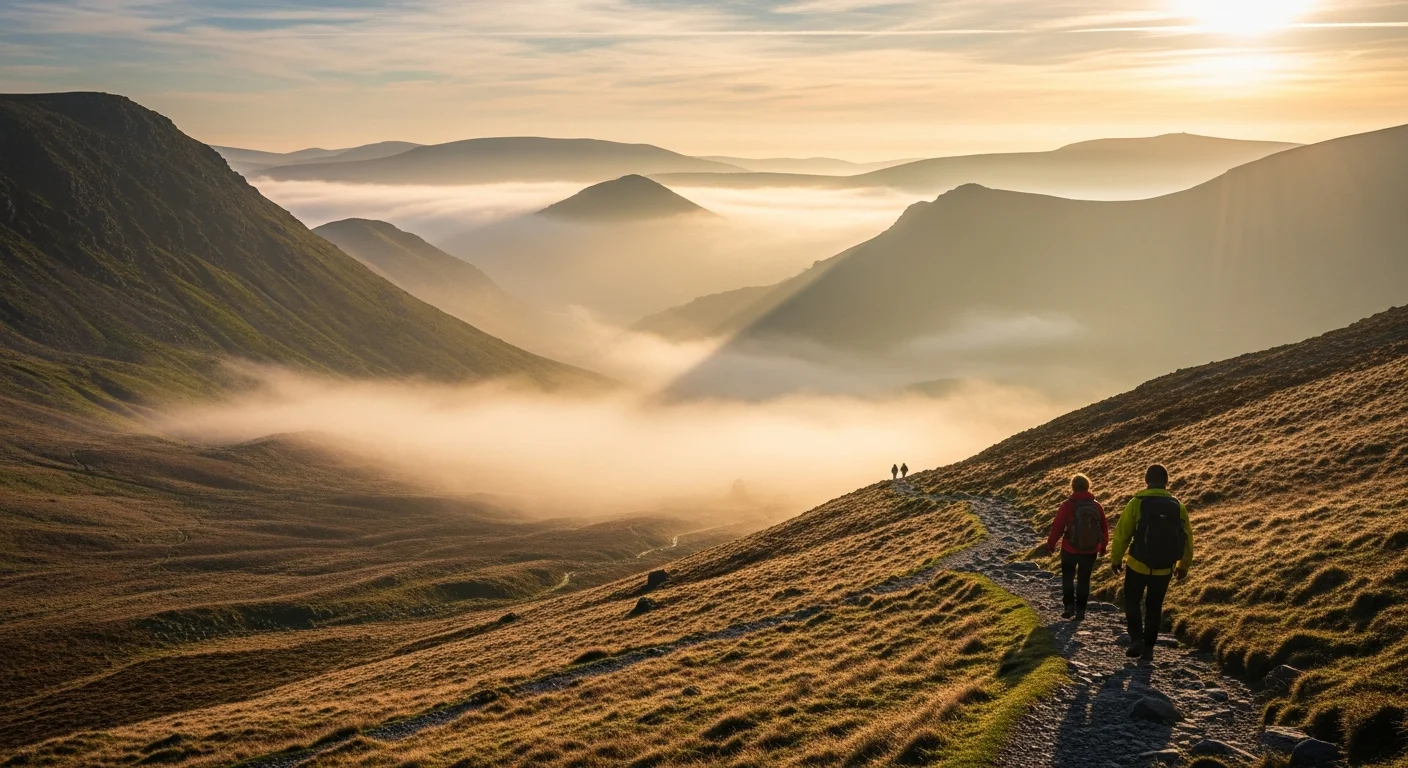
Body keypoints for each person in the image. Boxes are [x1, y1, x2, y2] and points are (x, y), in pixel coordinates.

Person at [1109, 464, 1194, 663]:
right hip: (1165, 568)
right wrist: (1183, 566)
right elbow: (1187, 538)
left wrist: (1116, 559)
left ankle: (1136, 638)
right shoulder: (1177, 506)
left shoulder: (1137, 503)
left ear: (1146, 480)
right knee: (1154, 606)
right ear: (1167, 482)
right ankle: (1149, 648)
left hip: (1137, 564)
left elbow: (1122, 534)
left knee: (1131, 600)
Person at [1045, 473, 1107, 621]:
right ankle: (1081, 611)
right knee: (1084, 580)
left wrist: (1051, 545)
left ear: (1072, 487)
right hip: (1090, 550)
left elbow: (1058, 527)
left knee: (1068, 578)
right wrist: (1103, 547)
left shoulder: (1067, 505)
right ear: (1088, 487)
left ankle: (1069, 607)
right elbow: (1104, 528)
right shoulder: (1097, 506)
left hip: (1069, 549)